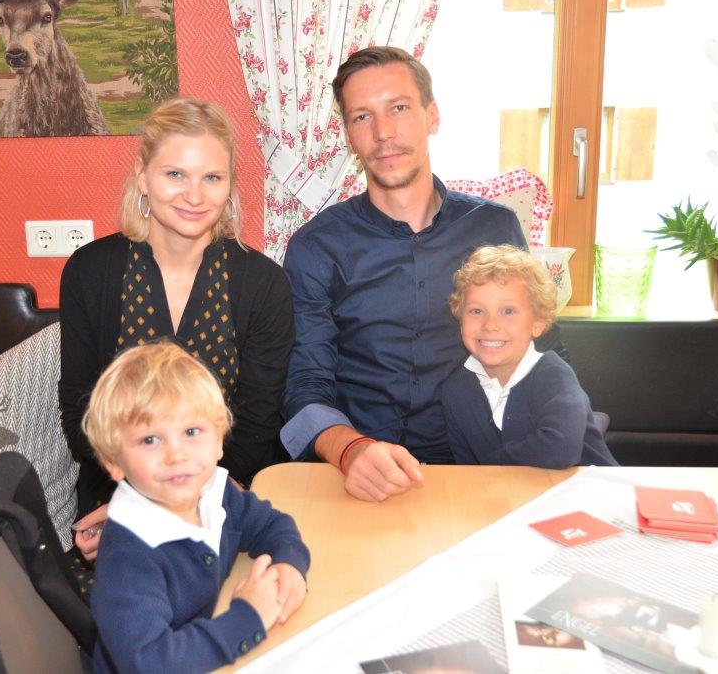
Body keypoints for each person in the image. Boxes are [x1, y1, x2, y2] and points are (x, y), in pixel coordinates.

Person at [280, 46, 566, 502]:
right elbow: (304, 385)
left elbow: (537, 353)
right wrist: (351, 450)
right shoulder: (316, 247)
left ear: (432, 116)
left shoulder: (495, 229)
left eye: (398, 108)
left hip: (477, 471)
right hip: (352, 473)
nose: (383, 133)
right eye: (362, 117)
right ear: (349, 136)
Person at [59, 98, 294, 559]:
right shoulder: (91, 272)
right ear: (143, 177)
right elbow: (82, 415)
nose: (195, 195)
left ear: (230, 185)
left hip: (229, 493)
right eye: (175, 175)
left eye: (212, 178)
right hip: (119, 493)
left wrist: (183, 504)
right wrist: (139, 504)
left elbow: (256, 426)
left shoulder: (264, 283)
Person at [82, 342, 309, 672]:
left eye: (191, 431)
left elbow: (272, 525)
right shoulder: (127, 558)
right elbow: (150, 663)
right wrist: (248, 618)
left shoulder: (214, 491)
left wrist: (290, 566)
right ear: (114, 462)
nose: (176, 455)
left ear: (219, 440)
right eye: (150, 439)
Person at [441, 245, 615, 468]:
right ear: (460, 320)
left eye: (508, 311)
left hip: (592, 487)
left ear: (537, 323)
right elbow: (467, 470)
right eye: (476, 311)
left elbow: (560, 450)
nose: (490, 325)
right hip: (511, 490)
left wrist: (490, 467)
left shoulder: (553, 375)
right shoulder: (455, 391)